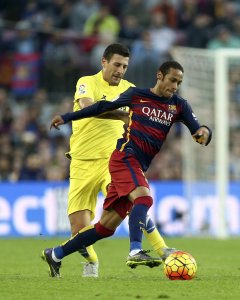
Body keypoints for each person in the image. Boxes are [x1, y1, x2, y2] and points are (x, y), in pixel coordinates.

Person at [42, 60, 212, 278]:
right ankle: (135, 250)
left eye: (179, 82)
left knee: (104, 228)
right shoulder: (136, 95)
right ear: (159, 76)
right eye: (172, 80)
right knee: (144, 198)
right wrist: (67, 117)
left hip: (138, 164)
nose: (175, 86)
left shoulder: (179, 105)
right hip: (124, 157)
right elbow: (101, 107)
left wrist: (204, 134)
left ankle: (55, 254)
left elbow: (199, 129)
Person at [53, 43, 176, 278]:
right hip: (81, 163)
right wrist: (122, 113)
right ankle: (91, 260)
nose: (120, 70)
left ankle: (162, 250)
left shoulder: (131, 90)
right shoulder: (86, 82)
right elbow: (88, 106)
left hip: (114, 161)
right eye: (117, 64)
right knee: (78, 231)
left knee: (134, 202)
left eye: (125, 66)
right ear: (104, 62)